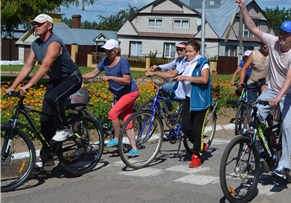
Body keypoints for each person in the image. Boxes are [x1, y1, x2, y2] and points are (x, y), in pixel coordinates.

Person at [236, 0, 291, 180]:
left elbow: (289, 78)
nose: (281, 36)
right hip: (272, 89)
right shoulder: (272, 42)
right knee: (254, 116)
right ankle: (261, 148)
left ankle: (285, 165)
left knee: (287, 125)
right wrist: (242, 7)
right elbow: (253, 27)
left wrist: (279, 98)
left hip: (289, 94)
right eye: (280, 32)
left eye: (286, 34)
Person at [6, 14, 83, 166]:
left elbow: (46, 66)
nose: (36, 26)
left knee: (53, 98)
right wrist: (13, 86)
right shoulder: (35, 44)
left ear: (49, 26)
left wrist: (28, 85)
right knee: (45, 120)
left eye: (40, 24)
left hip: (72, 78)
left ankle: (65, 129)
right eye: (34, 24)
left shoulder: (54, 43)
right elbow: (28, 66)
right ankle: (48, 156)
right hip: (55, 80)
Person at [146, 39, 212, 168]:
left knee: (197, 128)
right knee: (185, 127)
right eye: (186, 51)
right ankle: (200, 145)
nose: (187, 53)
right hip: (188, 98)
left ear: (197, 52)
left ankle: (196, 156)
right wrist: (155, 73)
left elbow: (204, 79)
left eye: (190, 51)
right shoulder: (185, 62)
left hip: (200, 100)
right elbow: (172, 73)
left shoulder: (202, 63)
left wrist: (185, 78)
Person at [82, 39, 140, 156]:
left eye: (110, 51)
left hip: (130, 93)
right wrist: (79, 77)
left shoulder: (122, 62)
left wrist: (111, 77)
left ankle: (117, 138)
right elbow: (93, 73)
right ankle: (134, 149)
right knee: (127, 120)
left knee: (113, 114)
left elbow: (127, 80)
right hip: (119, 94)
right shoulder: (105, 61)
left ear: (116, 51)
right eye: (106, 51)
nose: (107, 53)